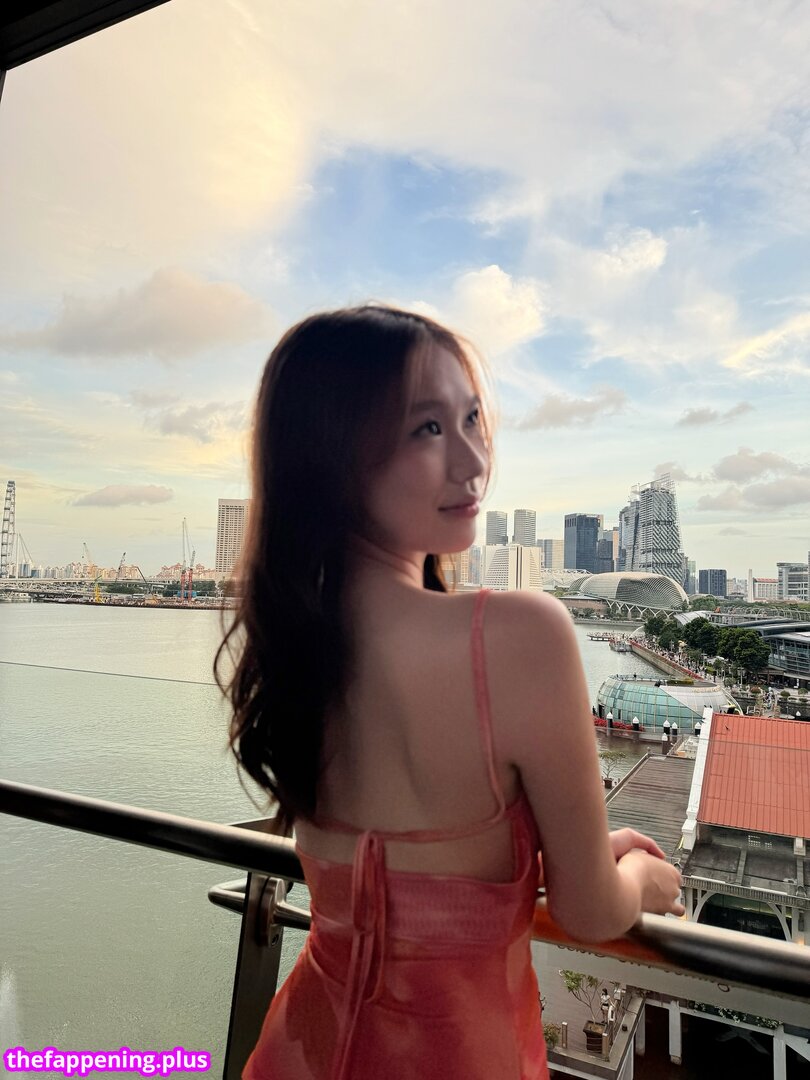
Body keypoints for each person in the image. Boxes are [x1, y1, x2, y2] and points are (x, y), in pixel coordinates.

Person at [217, 304, 684, 1080]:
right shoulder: (522, 634)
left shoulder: (295, 646)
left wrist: (555, 861)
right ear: (333, 455)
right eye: (427, 428)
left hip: (298, 1050)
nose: (472, 461)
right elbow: (592, 913)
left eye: (471, 419)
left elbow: (402, 877)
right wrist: (642, 878)